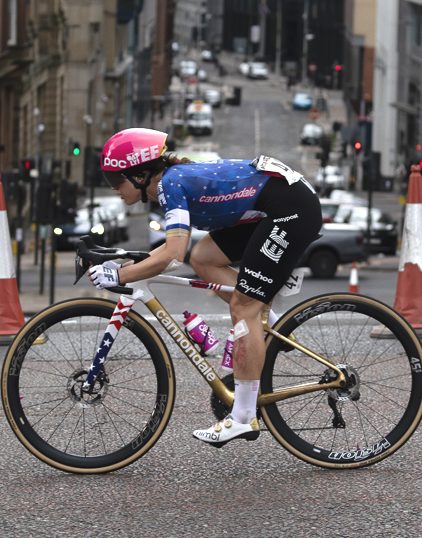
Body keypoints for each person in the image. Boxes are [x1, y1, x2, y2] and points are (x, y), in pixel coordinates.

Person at [89, 127, 322, 447]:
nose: (114, 188)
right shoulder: (169, 183)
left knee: (243, 307)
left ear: (140, 174)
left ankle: (242, 417)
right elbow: (180, 252)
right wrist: (126, 267)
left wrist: (121, 277)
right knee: (204, 257)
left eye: (115, 180)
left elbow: (171, 256)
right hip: (273, 204)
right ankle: (263, 316)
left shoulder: (170, 184)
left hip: (290, 209)